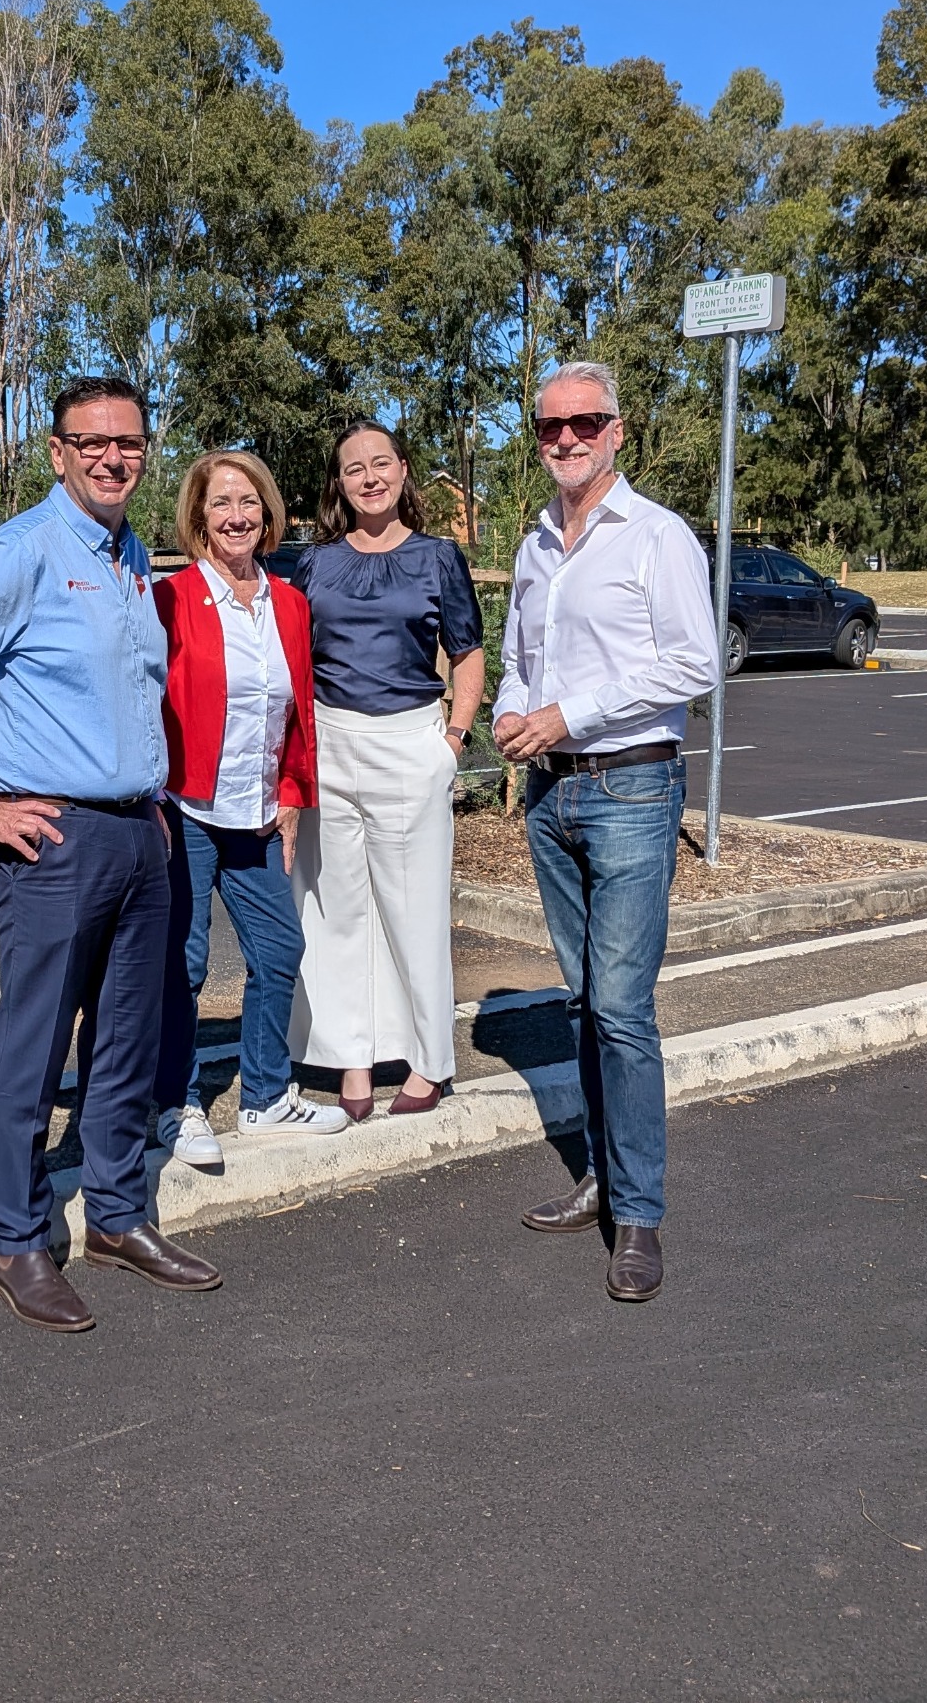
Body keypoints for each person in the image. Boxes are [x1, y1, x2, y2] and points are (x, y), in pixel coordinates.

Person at [0, 374, 222, 1334]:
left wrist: (150, 802)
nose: (113, 458)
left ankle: (117, 1216)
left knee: (126, 1042)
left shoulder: (128, 559)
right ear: (58, 451)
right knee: (33, 1047)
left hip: (135, 833)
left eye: (129, 443)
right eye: (92, 443)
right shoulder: (23, 555)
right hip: (52, 840)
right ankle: (15, 1240)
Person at [491, 361, 718, 1304]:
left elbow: (695, 665)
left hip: (630, 791)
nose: (568, 439)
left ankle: (640, 1216)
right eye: (551, 427)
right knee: (585, 1002)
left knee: (624, 1010)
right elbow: (516, 659)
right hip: (552, 796)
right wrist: (513, 715)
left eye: (585, 422)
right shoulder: (539, 542)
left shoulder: (657, 537)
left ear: (618, 430)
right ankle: (600, 1177)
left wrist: (569, 715)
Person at [152, 451, 347, 1172]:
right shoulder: (169, 599)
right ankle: (174, 1102)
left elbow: (300, 711)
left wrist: (294, 795)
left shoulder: (289, 604)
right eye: (221, 503)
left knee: (279, 953)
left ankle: (265, 1098)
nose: (237, 516)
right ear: (199, 519)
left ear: (268, 515)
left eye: (249, 503)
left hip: (259, 812)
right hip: (187, 806)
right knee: (184, 963)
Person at [291, 422, 486, 1122]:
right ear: (338, 484)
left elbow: (466, 654)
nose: (368, 477)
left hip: (411, 744)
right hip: (331, 744)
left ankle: (429, 1062)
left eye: (381, 463)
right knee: (336, 910)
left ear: (403, 471)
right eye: (353, 468)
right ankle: (352, 1059)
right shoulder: (314, 564)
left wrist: (453, 739)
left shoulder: (438, 558)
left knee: (414, 908)